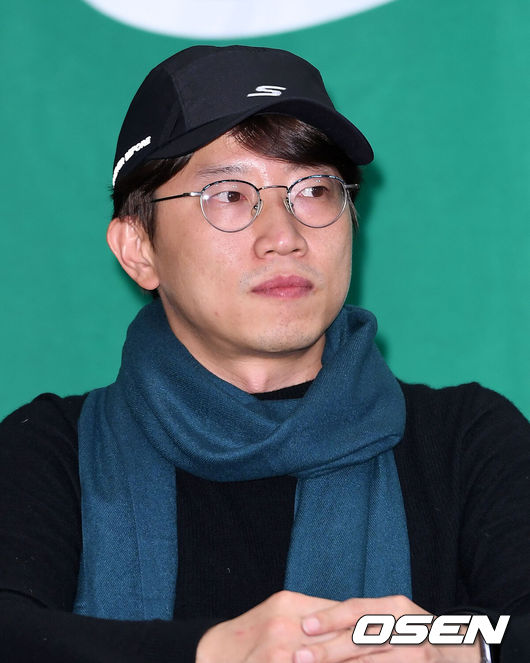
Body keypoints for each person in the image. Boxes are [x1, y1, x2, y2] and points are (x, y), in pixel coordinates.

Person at [0, 45, 528, 663]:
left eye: (314, 191)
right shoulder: (53, 448)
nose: (284, 236)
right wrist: (213, 651)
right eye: (228, 195)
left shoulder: (464, 439)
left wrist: (455, 648)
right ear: (138, 248)